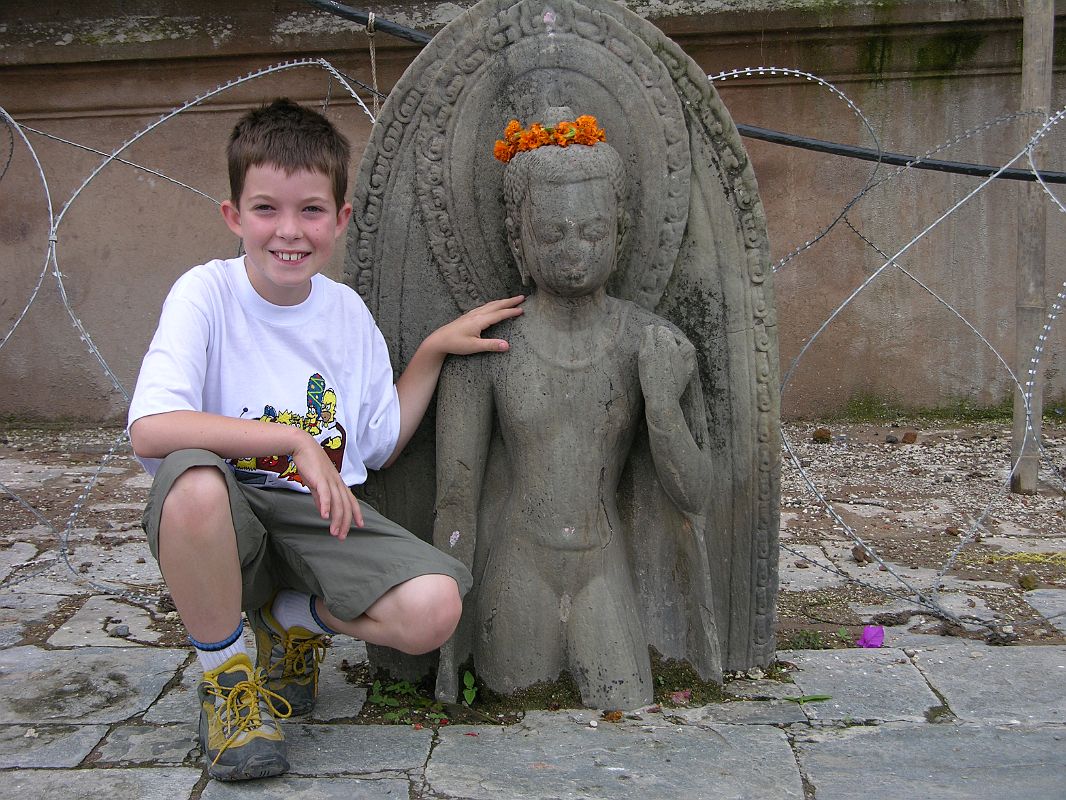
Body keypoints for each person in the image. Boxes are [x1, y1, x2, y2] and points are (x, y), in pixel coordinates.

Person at [127, 97, 523, 781]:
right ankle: (229, 685)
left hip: (318, 524)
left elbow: (374, 446)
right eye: (266, 209)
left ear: (340, 220)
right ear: (233, 216)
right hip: (230, 523)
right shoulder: (206, 295)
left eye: (310, 210)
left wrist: (431, 352)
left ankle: (291, 617)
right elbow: (151, 429)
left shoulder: (345, 312)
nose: (288, 231)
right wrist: (291, 442)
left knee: (434, 607)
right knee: (191, 482)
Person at [434, 111, 720, 711]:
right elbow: (455, 499)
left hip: (603, 571)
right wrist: (446, 652)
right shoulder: (484, 352)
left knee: (629, 704)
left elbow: (695, 496)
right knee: (515, 707)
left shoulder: (651, 345)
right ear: (518, 239)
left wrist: (662, 404)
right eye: (552, 234)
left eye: (592, 233)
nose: (573, 252)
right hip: (517, 571)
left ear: (619, 230)